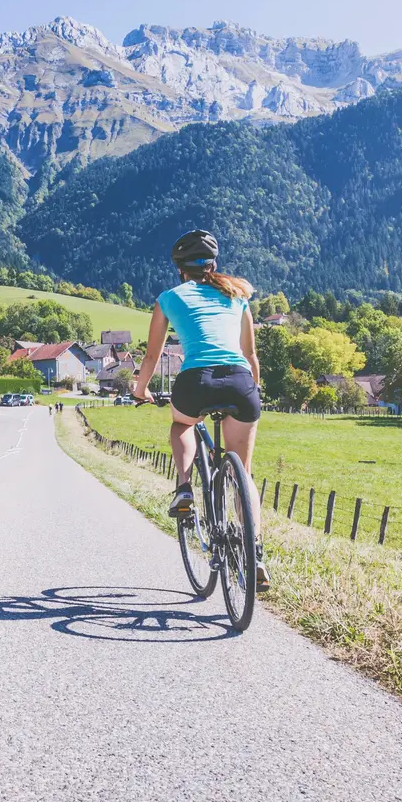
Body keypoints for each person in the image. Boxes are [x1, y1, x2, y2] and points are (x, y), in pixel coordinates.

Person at [129, 229, 269, 590]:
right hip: (240, 382)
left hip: (196, 381)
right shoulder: (238, 296)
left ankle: (186, 487)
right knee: (246, 477)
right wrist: (255, 388)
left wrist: (140, 389)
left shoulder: (167, 299)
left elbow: (151, 355)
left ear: (180, 270)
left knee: (182, 425)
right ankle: (255, 553)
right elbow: (251, 355)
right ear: (213, 265)